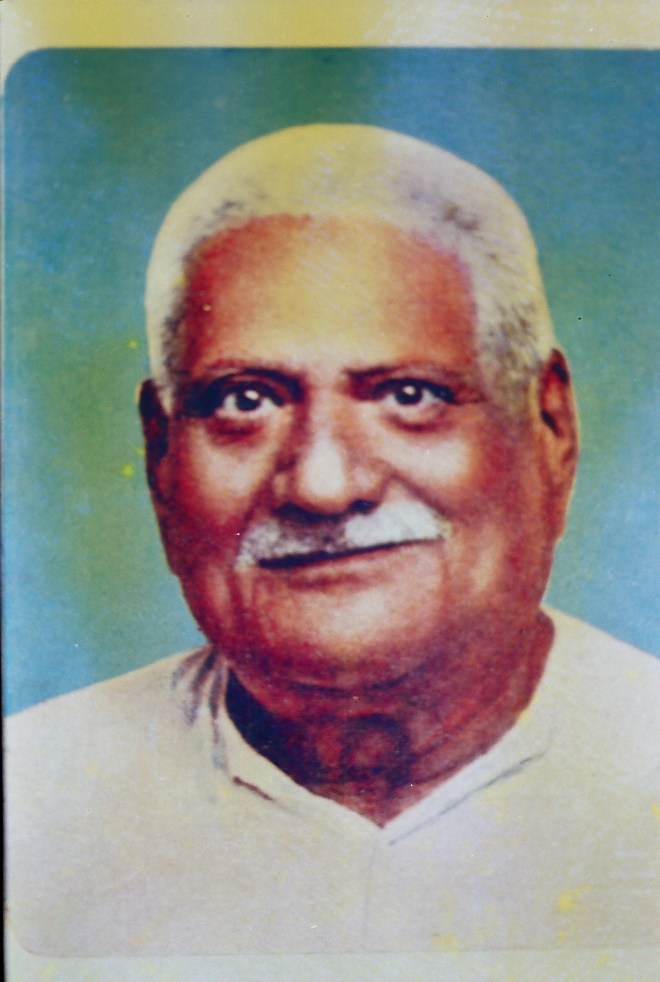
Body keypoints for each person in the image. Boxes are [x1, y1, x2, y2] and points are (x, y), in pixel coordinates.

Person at [7, 125, 659, 955]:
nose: (321, 485)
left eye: (408, 395)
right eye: (245, 401)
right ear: (161, 456)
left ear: (550, 428)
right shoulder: (29, 807)